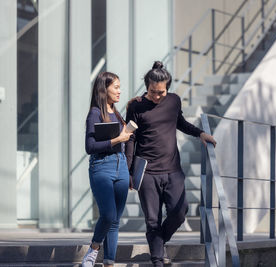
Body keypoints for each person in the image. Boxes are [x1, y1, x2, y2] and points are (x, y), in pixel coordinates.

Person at [125, 61, 216, 266]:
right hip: (147, 172)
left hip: (172, 169)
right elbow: (130, 139)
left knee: (179, 211)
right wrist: (128, 170)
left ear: (168, 88)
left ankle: (158, 243)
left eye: (161, 92)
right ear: (146, 87)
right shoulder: (136, 106)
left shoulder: (174, 101)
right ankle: (157, 259)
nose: (157, 96)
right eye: (152, 92)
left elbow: (180, 122)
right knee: (152, 220)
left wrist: (200, 133)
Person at [82, 72, 132, 267]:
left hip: (121, 167)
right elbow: (90, 147)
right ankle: (94, 249)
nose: (120, 91)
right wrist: (118, 139)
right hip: (101, 166)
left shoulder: (117, 113)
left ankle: (109, 263)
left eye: (120, 87)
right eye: (116, 87)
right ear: (104, 89)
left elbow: (125, 142)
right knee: (109, 214)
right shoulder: (94, 113)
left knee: (116, 221)